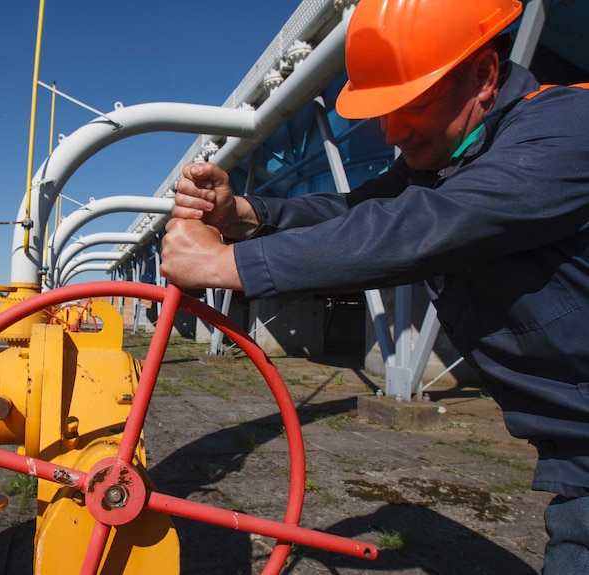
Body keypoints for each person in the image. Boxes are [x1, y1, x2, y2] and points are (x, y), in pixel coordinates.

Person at [159, 0, 589, 572]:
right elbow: (355, 210)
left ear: (485, 76)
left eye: (412, 104)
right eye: (384, 110)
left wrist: (224, 266)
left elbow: (417, 228)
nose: (392, 130)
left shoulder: (566, 130)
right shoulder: (449, 159)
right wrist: (242, 213)